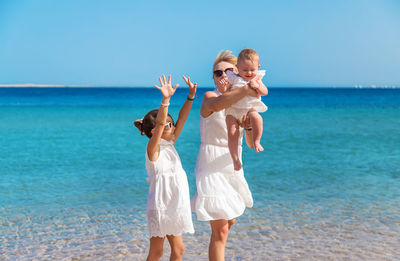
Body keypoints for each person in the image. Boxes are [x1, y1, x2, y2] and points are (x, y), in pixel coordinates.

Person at [191, 50, 259, 261]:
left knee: (229, 223)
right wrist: (247, 89)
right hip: (210, 164)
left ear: (236, 74)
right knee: (219, 229)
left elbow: (247, 143)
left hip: (232, 165)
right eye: (217, 73)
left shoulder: (242, 104)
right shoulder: (209, 97)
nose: (221, 76)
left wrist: (248, 128)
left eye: (227, 71)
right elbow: (218, 105)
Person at [134, 74, 197, 261]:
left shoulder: (171, 144)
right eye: (170, 124)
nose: (174, 125)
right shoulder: (153, 149)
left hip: (176, 204)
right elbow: (161, 123)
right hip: (160, 206)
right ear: (156, 132)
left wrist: (190, 96)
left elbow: (183, 118)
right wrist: (165, 100)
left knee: (179, 250)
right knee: (157, 252)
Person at [225, 48, 268, 170]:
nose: (249, 73)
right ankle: (235, 158)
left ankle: (257, 141)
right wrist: (225, 85)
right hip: (233, 110)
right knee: (232, 133)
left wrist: (258, 87)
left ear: (258, 67)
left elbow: (265, 92)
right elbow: (226, 91)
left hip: (249, 109)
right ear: (237, 67)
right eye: (245, 70)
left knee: (257, 118)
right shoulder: (233, 77)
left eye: (252, 70)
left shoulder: (257, 79)